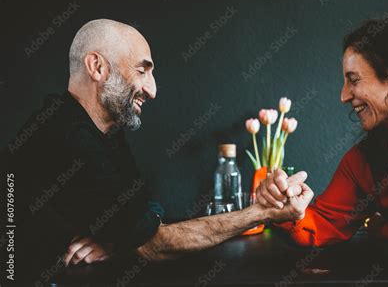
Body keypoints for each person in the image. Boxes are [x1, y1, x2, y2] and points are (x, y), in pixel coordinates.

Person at [2, 19, 313, 276]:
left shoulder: (105, 131)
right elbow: (155, 243)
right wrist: (263, 212)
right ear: (97, 67)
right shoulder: (65, 135)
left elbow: (149, 206)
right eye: (142, 71)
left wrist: (120, 240)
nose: (152, 90)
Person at [256, 11, 388, 260]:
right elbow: (321, 224)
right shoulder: (362, 160)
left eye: (354, 80)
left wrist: (380, 227)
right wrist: (286, 208)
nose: (344, 96)